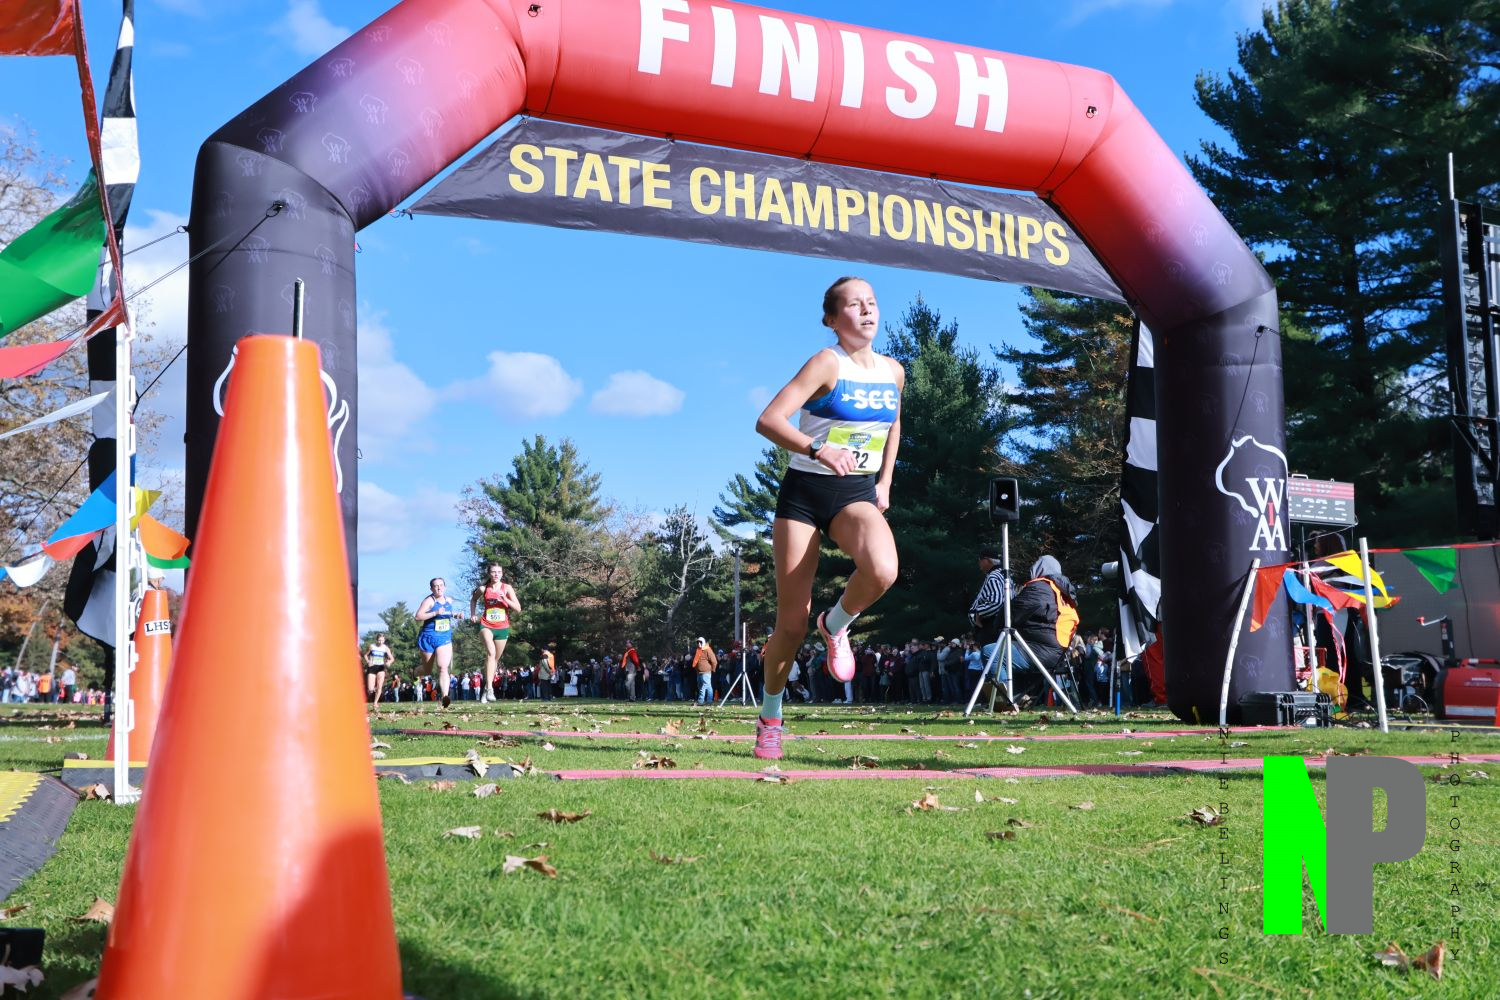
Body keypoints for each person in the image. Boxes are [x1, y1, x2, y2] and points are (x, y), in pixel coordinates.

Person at [751, 277, 904, 758]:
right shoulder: (826, 362)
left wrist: (885, 482)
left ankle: (835, 624)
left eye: (872, 302)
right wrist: (818, 448)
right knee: (790, 624)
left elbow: (894, 425)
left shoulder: (894, 371)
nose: (867, 310)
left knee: (883, 570)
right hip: (805, 493)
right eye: (855, 304)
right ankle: (771, 718)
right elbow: (769, 420)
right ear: (833, 319)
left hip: (855, 492)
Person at [1009, 555, 1081, 705]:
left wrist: (996, 624)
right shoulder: (1065, 593)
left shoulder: (1039, 588)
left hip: (1041, 650)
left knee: (991, 652)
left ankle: (1007, 700)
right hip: (1059, 654)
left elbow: (1011, 615)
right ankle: (1017, 698)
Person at [469, 563, 521, 705]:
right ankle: (491, 689)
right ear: (489, 574)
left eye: (499, 572)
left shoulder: (507, 588)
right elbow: (473, 599)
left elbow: (518, 608)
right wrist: (473, 614)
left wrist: (505, 599)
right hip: (486, 625)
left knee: (494, 659)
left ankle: (486, 689)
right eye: (493, 572)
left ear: (502, 574)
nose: (496, 574)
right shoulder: (483, 589)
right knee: (491, 653)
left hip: (502, 628)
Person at [415, 577, 464, 708]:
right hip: (428, 638)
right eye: (436, 586)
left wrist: (456, 615)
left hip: (444, 638)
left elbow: (447, 613)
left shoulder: (449, 600)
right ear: (431, 589)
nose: (439, 588)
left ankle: (445, 697)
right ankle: (415, 672)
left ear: (445, 587)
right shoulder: (429, 601)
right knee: (427, 670)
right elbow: (418, 616)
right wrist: (435, 612)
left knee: (443, 667)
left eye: (441, 585)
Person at [364, 632, 393, 704]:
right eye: (379, 640)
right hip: (372, 667)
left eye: (382, 640)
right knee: (370, 689)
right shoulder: (372, 646)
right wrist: (368, 661)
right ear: (376, 640)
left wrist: (389, 662)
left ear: (384, 640)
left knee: (379, 686)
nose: (381, 642)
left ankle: (375, 702)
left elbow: (392, 658)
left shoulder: (385, 648)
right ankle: (373, 691)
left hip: (381, 667)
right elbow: (365, 655)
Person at [692, 637, 718, 705]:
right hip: (699, 673)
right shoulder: (698, 650)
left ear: (703, 642)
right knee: (707, 687)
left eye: (700, 642)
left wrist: (713, 670)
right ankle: (709, 702)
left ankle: (700, 701)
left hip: (706, 672)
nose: (699, 643)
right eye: (698, 642)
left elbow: (714, 661)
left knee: (703, 687)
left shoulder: (708, 650)